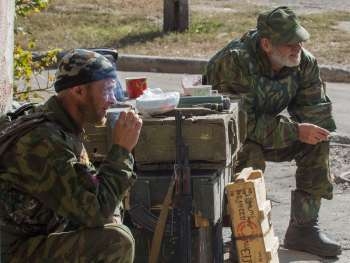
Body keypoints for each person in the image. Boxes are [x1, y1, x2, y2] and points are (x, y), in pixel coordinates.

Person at [203, 6, 341, 258]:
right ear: (267, 45)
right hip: (223, 138)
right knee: (250, 154)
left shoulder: (303, 63)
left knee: (317, 140)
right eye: (289, 43)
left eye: (299, 40)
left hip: (265, 130)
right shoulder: (234, 62)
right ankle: (243, 236)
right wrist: (296, 131)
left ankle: (304, 229)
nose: (297, 47)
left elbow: (315, 110)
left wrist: (312, 130)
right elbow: (240, 123)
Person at [0, 49, 142, 262]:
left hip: (36, 236)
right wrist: (122, 150)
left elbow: (92, 195)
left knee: (112, 224)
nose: (113, 100)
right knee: (115, 241)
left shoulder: (62, 128)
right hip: (12, 252)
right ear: (78, 91)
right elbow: (95, 211)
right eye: (107, 90)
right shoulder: (43, 141)